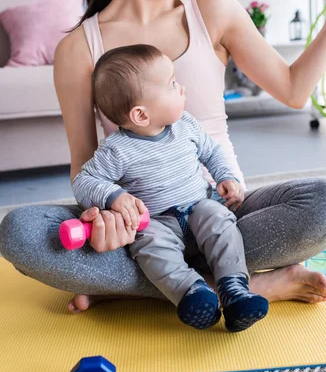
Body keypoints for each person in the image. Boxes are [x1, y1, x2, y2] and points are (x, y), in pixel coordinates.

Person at [0, 0, 326, 315]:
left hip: (223, 213)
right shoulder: (78, 48)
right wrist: (107, 216)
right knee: (20, 231)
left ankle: (145, 285)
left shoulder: (213, 9)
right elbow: (85, 164)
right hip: (146, 226)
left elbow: (294, 89)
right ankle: (245, 283)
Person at [72, 43, 269, 331]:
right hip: (157, 222)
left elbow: (212, 152)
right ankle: (192, 293)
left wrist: (226, 177)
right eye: (172, 84)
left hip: (200, 207)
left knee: (221, 220)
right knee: (149, 246)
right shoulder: (117, 150)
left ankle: (235, 289)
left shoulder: (186, 125)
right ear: (141, 115)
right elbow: (84, 181)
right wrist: (115, 196)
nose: (182, 87)